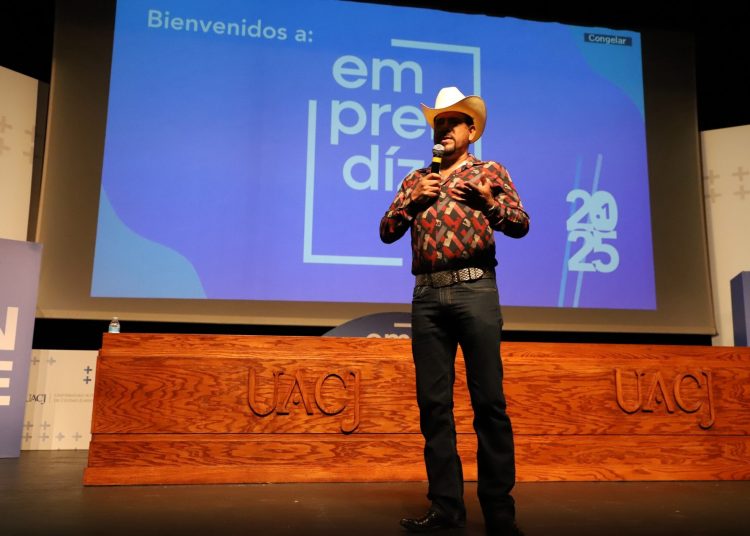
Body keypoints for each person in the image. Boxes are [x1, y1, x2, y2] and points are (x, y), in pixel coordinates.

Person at [379, 87, 529, 534]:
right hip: (427, 297)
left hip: (475, 289)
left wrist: (489, 203)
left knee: (489, 403)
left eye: (452, 122)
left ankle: (499, 512)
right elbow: (386, 231)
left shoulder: (490, 172)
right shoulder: (416, 179)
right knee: (433, 406)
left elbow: (521, 224)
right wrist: (412, 201)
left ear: (472, 131)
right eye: (438, 122)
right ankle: (446, 508)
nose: (443, 129)